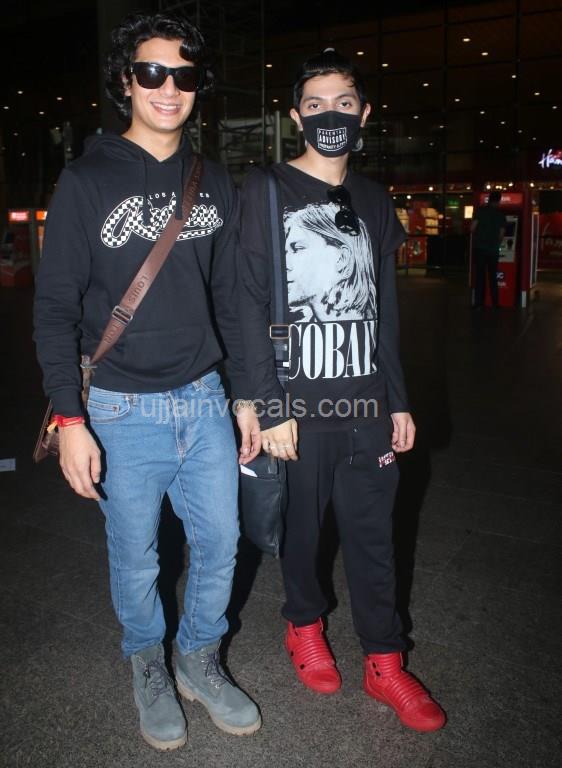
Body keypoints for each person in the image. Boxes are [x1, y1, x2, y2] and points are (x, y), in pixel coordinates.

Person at [33, 12, 262, 752]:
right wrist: (71, 421)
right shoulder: (85, 180)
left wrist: (247, 397)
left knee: (222, 543)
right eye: (152, 72)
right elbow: (54, 309)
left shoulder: (213, 179)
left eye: (184, 75)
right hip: (120, 407)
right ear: (126, 81)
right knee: (136, 557)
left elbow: (232, 299)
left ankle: (198, 656)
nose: (169, 88)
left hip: (204, 398)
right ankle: (147, 663)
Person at [238, 48, 446, 732]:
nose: (331, 114)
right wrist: (269, 405)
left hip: (366, 404)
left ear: (365, 113)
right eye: (317, 104)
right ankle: (303, 624)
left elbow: (385, 309)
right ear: (296, 116)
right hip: (297, 406)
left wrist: (398, 398)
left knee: (374, 537)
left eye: (345, 103)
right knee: (301, 534)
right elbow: (246, 302)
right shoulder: (266, 190)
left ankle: (385, 661)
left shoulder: (375, 199)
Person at [471, 189, 507, 308]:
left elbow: (472, 228)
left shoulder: (480, 211)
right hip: (493, 250)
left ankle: (479, 303)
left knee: (480, 277)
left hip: (480, 248)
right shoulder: (500, 215)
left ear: (489, 199)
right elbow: (501, 234)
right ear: (498, 201)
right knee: (492, 277)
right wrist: (496, 243)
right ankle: (495, 303)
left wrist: (479, 235)